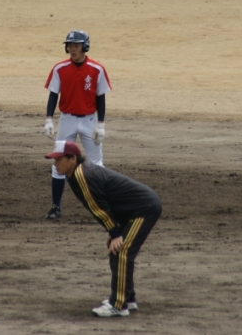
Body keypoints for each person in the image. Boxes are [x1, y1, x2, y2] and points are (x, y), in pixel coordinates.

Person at [45, 140, 162, 317]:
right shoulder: (76, 174)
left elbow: (98, 208)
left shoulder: (82, 175)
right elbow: (105, 203)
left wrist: (115, 232)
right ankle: (127, 298)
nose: (55, 164)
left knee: (122, 252)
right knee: (117, 251)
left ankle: (118, 305)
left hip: (144, 208)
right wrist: (115, 230)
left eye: (59, 159)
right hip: (132, 210)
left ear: (72, 159)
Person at [43, 30, 112, 219]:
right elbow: (53, 95)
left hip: (89, 120)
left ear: (85, 46)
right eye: (70, 46)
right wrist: (49, 119)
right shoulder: (60, 68)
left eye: (76, 46)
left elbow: (101, 98)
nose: (72, 49)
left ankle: (102, 207)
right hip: (67, 119)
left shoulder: (97, 69)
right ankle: (55, 207)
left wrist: (101, 124)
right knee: (59, 162)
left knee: (96, 163)